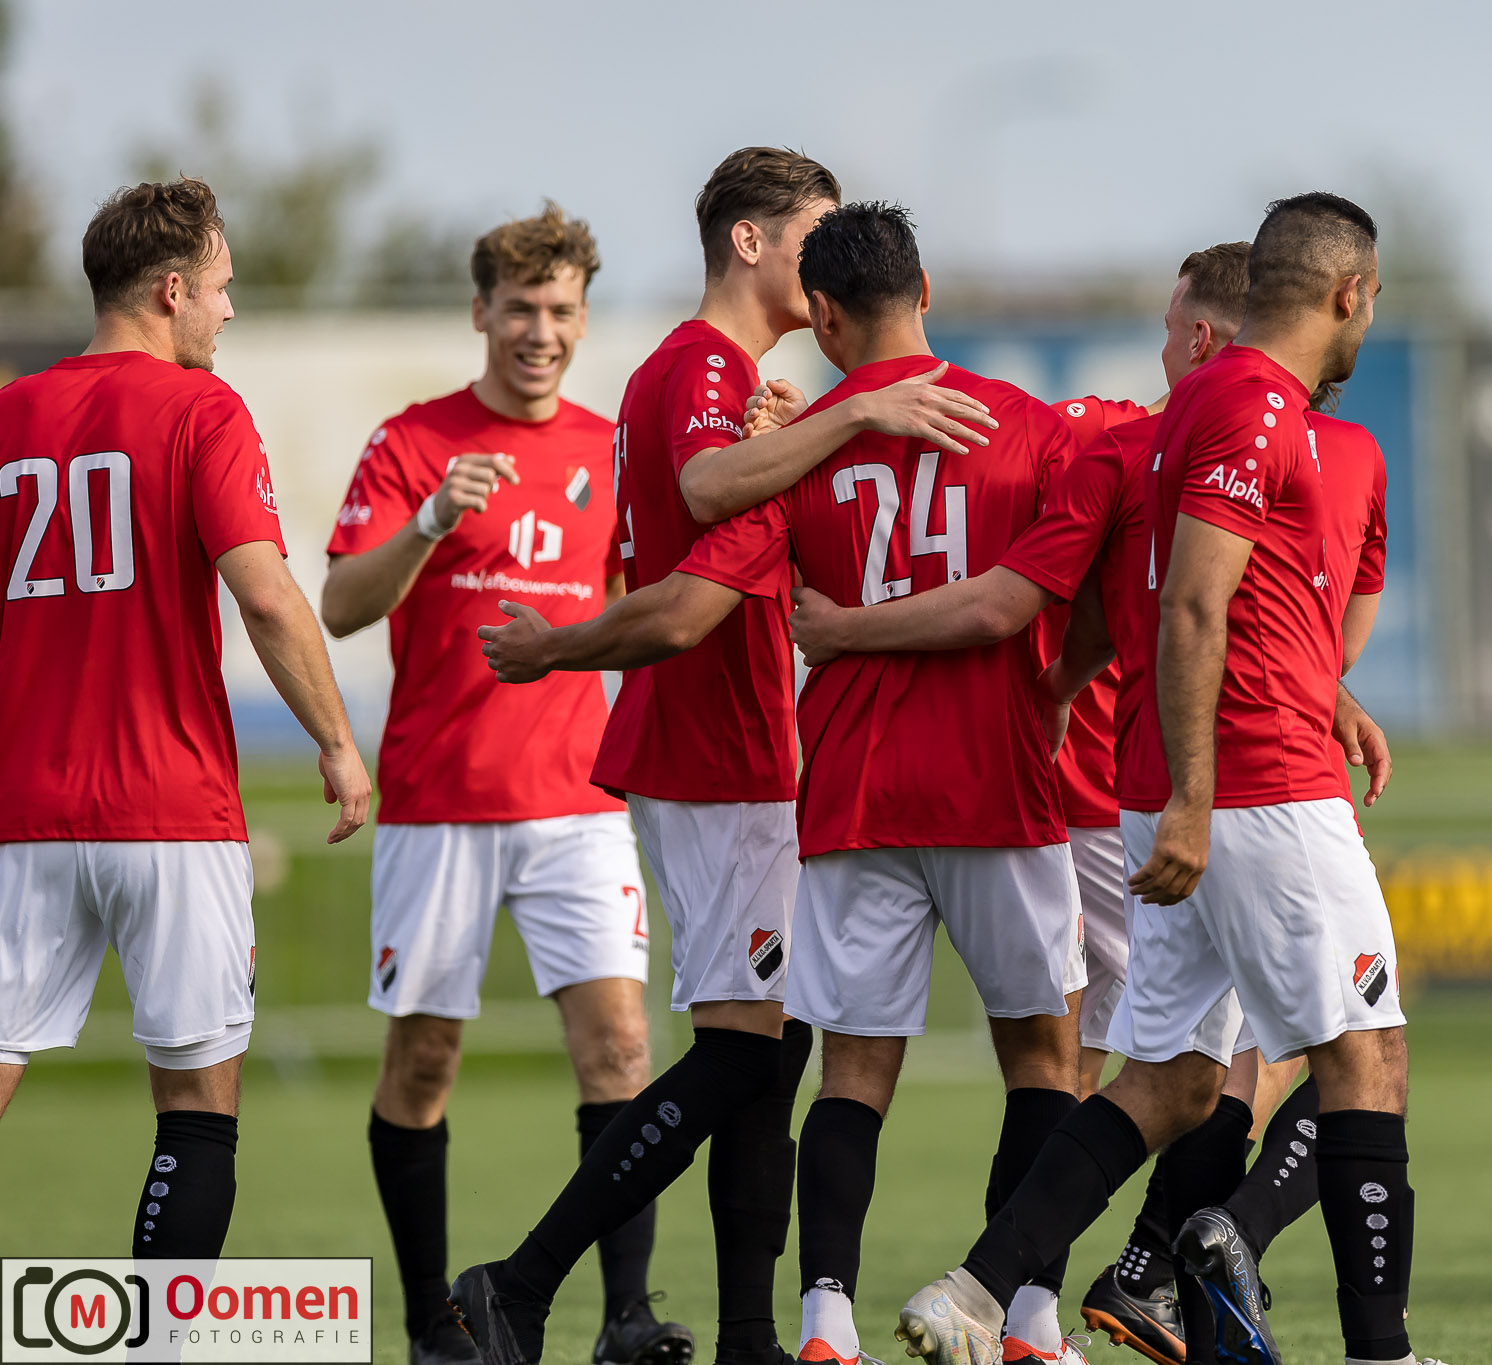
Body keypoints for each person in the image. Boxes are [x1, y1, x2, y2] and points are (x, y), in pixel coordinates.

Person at [454, 202, 1081, 1365]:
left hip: (841, 792)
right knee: (1018, 1058)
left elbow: (698, 564)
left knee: (820, 1063)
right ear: (925, 290)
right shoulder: (1016, 424)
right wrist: (1067, 688)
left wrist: (566, 643)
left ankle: (789, 1325)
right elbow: (1049, 582)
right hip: (915, 781)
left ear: (828, 314)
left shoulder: (790, 441)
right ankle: (1023, 1317)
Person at [781, 244, 1394, 1365]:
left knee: (1167, 1071)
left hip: (1089, 786)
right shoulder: (1226, 438)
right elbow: (1165, 606)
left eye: (1167, 327)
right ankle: (1136, 1291)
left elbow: (1193, 610)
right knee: (1286, 1059)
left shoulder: (1122, 441)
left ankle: (951, 1300)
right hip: (1174, 794)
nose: (1161, 348)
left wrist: (1058, 686)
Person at [321, 203, 691, 1365]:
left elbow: (639, 609)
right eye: (521, 309)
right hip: (439, 803)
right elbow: (340, 604)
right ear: (481, 312)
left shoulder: (607, 450)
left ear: (583, 318)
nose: (541, 332)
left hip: (579, 803)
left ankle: (624, 1319)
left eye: (561, 311)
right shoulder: (411, 443)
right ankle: (431, 1322)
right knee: (424, 1059)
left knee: (619, 1052)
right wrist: (432, 519)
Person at [0, 178, 372, 1256]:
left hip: (22, 811)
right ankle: (159, 1336)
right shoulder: (202, 409)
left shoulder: (10, 414)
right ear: (171, 291)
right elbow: (267, 595)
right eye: (220, 287)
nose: (229, 309)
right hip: (168, 807)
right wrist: (338, 742)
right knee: (198, 1109)